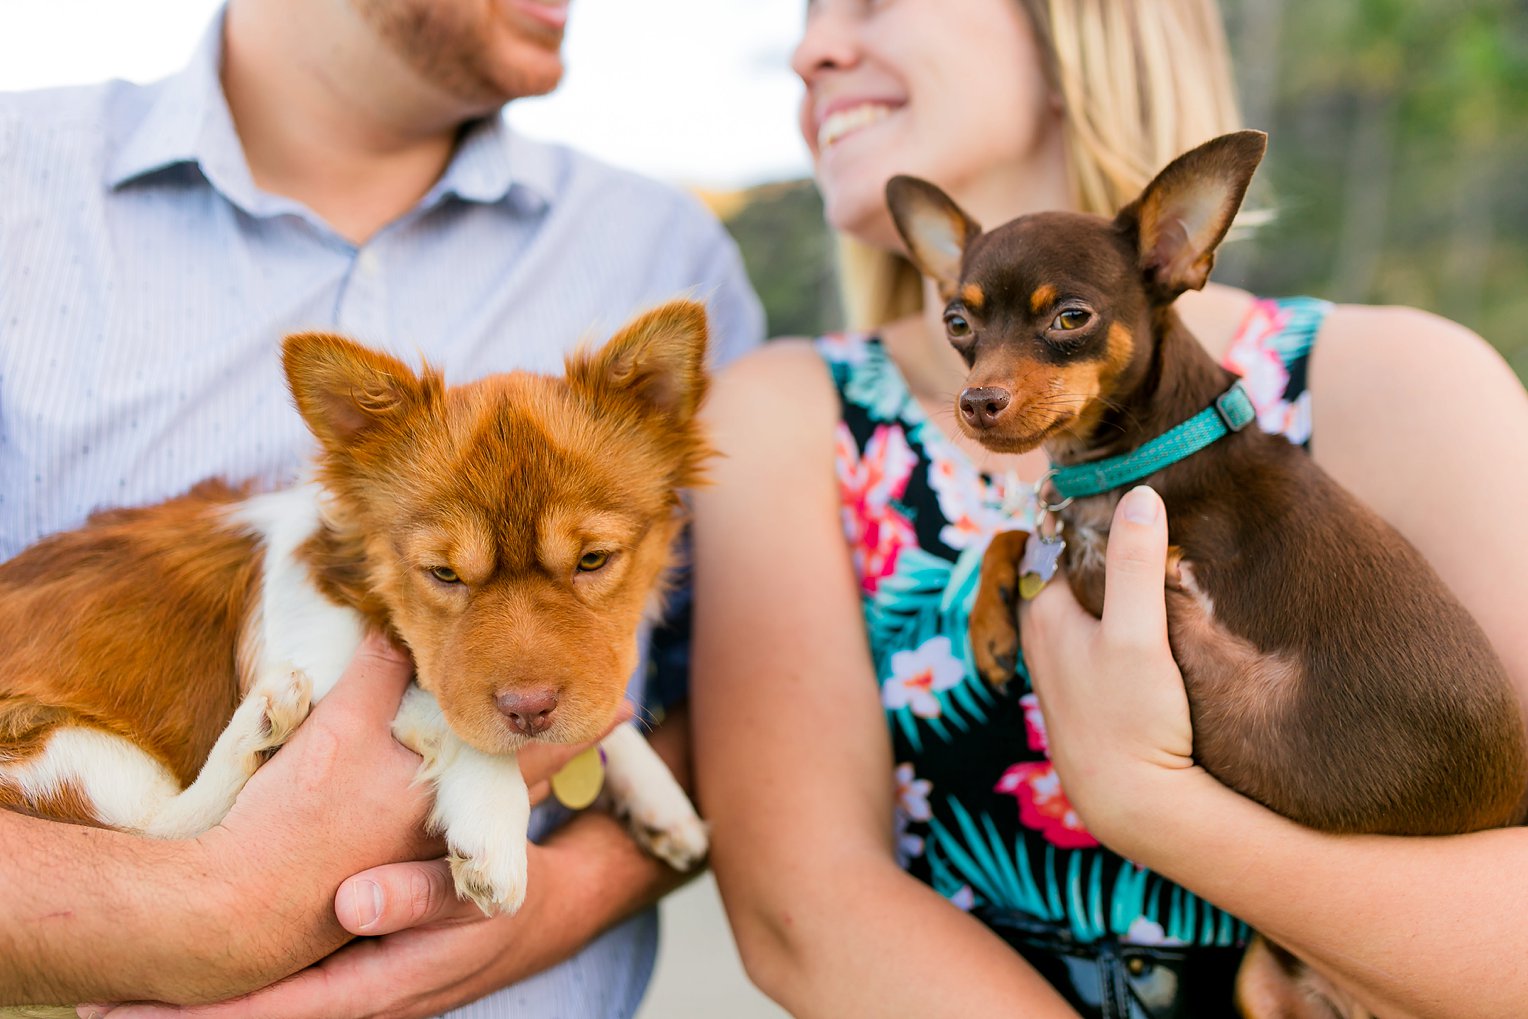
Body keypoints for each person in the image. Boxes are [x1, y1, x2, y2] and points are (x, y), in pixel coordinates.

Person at [689, 0, 1528, 1016]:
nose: (811, 47)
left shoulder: (1402, 379)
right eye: (807, 13)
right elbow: (801, 916)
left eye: (872, 1)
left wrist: (1152, 805)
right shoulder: (789, 415)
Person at [0, 0, 763, 1015]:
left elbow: (759, 693)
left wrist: (551, 905)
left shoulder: (667, 247)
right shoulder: (21, 184)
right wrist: (201, 912)